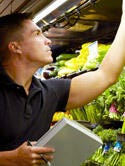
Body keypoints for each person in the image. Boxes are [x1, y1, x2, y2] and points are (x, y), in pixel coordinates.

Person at [0, 0, 125, 165]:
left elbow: (106, 75)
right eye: (37, 34)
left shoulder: (49, 92)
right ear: (15, 47)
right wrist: (11, 158)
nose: (48, 40)